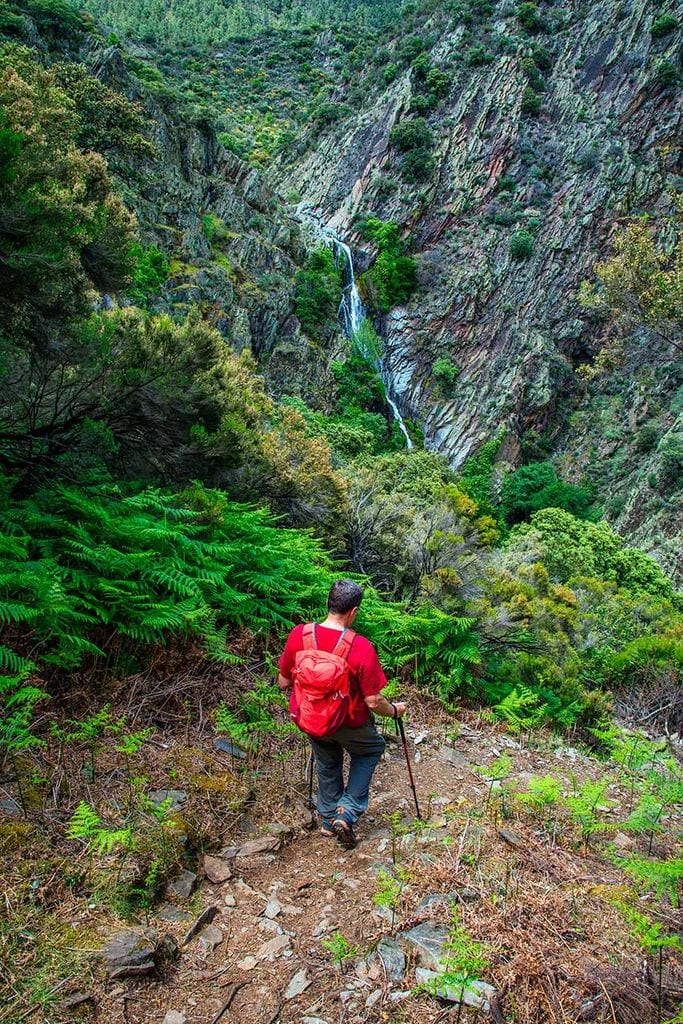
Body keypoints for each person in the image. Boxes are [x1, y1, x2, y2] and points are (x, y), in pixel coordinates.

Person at [277, 579, 406, 849]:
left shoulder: (300, 635)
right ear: (353, 611)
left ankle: (327, 821)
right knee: (370, 749)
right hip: (349, 722)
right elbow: (373, 701)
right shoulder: (360, 646)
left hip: (311, 718)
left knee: (327, 760)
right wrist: (393, 711)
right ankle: (346, 812)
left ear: (329, 603)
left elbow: (284, 683)